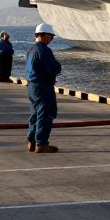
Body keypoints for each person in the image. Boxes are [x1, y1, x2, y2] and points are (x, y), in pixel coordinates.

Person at [26, 23, 62, 153]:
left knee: (35, 114)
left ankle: (32, 140)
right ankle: (41, 143)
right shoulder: (44, 50)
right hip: (43, 86)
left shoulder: (31, 49)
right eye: (50, 35)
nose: (51, 38)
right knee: (46, 114)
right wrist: (57, 66)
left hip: (32, 86)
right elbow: (54, 68)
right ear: (43, 35)